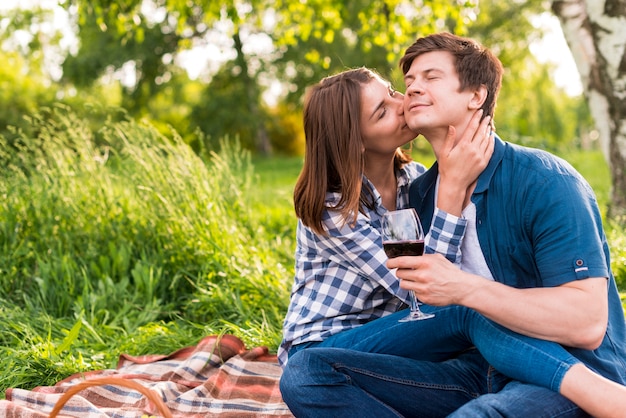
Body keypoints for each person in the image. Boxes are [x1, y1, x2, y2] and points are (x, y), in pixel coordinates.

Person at [279, 34, 626, 418]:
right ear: (355, 141)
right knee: (304, 373)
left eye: (429, 78)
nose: (408, 93)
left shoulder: (543, 181)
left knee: (468, 309)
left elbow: (589, 323)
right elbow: (424, 296)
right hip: (403, 352)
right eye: (408, 82)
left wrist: (464, 289)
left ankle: (601, 394)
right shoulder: (408, 196)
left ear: (476, 95)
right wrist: (452, 187)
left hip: (549, 368)